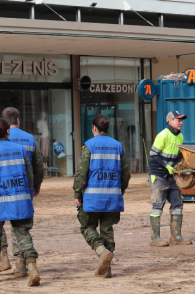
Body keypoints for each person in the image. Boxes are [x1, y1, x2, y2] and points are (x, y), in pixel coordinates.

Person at [0, 107, 45, 276]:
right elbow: (36, 168)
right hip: (22, 194)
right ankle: (25, 266)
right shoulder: (29, 141)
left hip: (0, 199)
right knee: (22, 231)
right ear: (16, 122)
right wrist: (33, 188)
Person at [73, 114, 131, 278]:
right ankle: (107, 269)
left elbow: (81, 174)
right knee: (107, 231)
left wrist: (77, 193)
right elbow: (125, 175)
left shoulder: (89, 146)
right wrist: (120, 192)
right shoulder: (117, 146)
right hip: (112, 198)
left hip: (92, 199)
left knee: (86, 227)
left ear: (94, 128)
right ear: (107, 128)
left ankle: (101, 251)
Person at [148, 110, 192, 247]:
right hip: (158, 175)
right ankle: (155, 239)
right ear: (170, 121)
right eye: (178, 120)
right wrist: (166, 166)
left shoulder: (180, 137)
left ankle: (176, 237)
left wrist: (180, 166)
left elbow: (178, 154)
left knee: (177, 203)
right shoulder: (163, 135)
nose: (181, 122)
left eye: (181, 120)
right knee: (157, 205)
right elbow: (153, 154)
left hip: (170, 175)